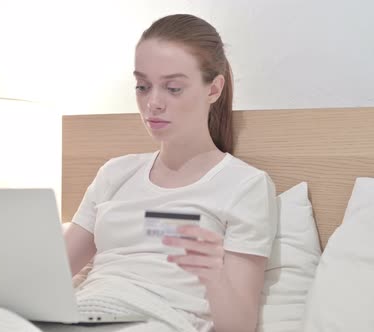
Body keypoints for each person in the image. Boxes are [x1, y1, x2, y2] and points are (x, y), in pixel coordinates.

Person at [63, 14, 277, 332]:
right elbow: (49, 275)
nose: (153, 104)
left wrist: (214, 276)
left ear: (213, 89)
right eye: (142, 86)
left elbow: (239, 326)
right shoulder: (114, 173)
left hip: (163, 322)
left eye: (173, 88)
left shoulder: (245, 186)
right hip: (90, 312)